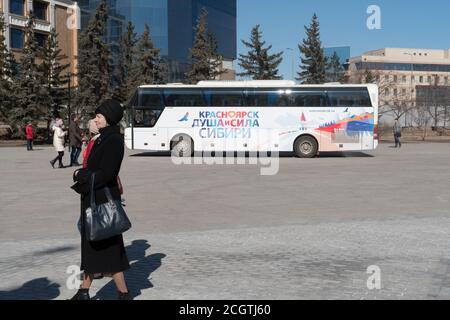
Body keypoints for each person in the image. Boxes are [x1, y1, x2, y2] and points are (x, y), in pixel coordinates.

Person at [70, 99, 131, 300]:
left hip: (103, 202)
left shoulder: (113, 140)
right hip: (93, 199)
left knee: (108, 249)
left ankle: (122, 293)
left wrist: (81, 175)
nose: (95, 119)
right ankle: (84, 291)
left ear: (109, 118)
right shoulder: (102, 138)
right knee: (93, 248)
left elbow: (107, 173)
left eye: (99, 116)